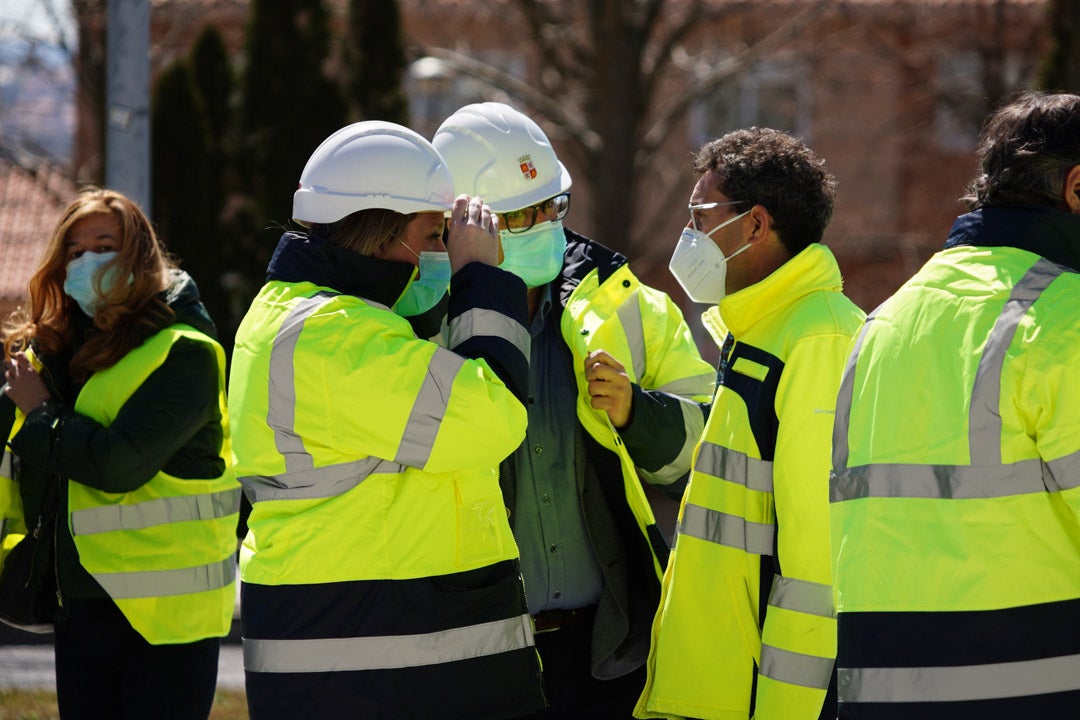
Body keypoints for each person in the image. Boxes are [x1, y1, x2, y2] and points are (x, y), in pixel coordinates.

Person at [229, 120, 545, 720]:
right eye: (432, 235)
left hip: (370, 649)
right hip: (374, 659)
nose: (441, 253)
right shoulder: (331, 335)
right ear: (379, 236)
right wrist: (483, 278)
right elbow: (492, 417)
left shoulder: (309, 318)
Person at [433, 102, 716, 718]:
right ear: (459, 224)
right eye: (518, 215)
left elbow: (709, 451)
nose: (542, 225)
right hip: (479, 652)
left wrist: (638, 415)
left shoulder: (628, 308)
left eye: (551, 207)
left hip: (608, 650)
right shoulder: (423, 327)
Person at [829, 91, 1080, 719]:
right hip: (1039, 691)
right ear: (1077, 188)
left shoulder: (886, 318)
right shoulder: (1065, 315)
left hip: (881, 693)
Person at [635, 127, 865, 720]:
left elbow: (816, 566)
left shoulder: (819, 337)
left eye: (700, 215)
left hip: (766, 700)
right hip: (720, 690)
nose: (689, 235)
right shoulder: (759, 331)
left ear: (756, 226)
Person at [0, 187, 240, 718]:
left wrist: (41, 413)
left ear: (139, 256)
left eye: (104, 245)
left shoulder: (187, 354)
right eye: (75, 251)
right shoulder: (52, 355)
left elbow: (117, 463)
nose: (88, 262)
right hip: (83, 603)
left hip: (168, 618)